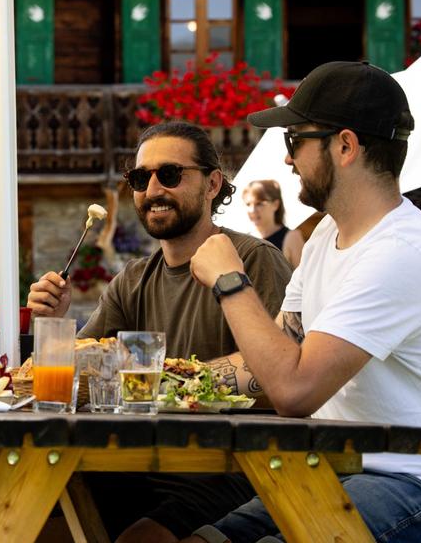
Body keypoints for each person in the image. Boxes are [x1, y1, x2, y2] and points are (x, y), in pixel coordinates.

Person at [177, 61, 421, 542]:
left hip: (420, 481)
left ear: (345, 146)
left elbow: (294, 389)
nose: (287, 160)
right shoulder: (328, 233)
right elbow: (283, 351)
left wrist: (230, 281)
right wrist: (165, 381)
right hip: (337, 466)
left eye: (295, 141)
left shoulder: (398, 252)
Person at [26, 121, 293, 539]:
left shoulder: (253, 259)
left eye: (169, 175)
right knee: (30, 520)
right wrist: (54, 324)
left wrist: (161, 379)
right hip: (138, 461)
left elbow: (279, 366)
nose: (152, 190)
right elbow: (70, 372)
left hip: (234, 466)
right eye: (139, 177)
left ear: (211, 184)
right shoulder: (132, 279)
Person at [242, 179, 305, 267]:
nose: (252, 210)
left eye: (259, 204)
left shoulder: (292, 237)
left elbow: (305, 277)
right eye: (248, 204)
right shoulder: (245, 240)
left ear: (275, 205)